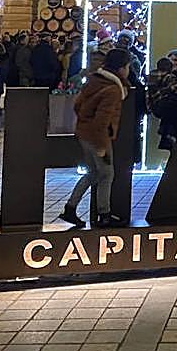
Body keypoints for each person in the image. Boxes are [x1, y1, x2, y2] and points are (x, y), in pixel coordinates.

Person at [60, 48, 131, 228]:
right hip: (98, 137)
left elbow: (77, 105)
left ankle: (71, 207)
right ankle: (104, 214)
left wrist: (84, 120)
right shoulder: (113, 90)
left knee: (93, 173)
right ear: (121, 68)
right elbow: (102, 121)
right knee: (107, 174)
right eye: (127, 66)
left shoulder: (94, 80)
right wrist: (102, 148)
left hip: (84, 133)